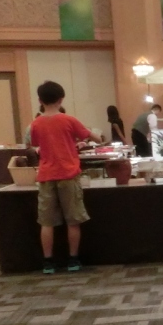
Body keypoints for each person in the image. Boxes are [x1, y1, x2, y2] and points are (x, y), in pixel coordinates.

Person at [30, 81, 105, 274]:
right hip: (69, 174)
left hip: (46, 176)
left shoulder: (35, 124)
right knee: (73, 220)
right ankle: (73, 260)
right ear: (61, 99)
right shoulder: (69, 120)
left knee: (46, 222)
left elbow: (36, 143)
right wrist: (96, 137)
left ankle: (48, 262)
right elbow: (95, 138)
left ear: (39, 100)